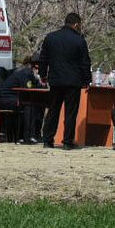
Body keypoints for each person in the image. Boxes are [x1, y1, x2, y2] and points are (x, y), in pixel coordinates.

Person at [38, 12, 92, 150]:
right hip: (73, 82)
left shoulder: (51, 37)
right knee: (70, 112)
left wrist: (43, 74)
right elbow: (85, 63)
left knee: (53, 110)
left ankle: (47, 140)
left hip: (55, 80)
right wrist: (87, 80)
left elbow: (43, 58)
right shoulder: (79, 40)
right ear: (76, 24)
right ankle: (67, 141)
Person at [0, 55, 45, 144]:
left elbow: (35, 86)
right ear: (35, 66)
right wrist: (37, 79)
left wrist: (39, 81)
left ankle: (34, 135)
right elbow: (27, 88)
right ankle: (27, 136)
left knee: (35, 105)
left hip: (15, 97)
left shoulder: (29, 73)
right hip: (6, 98)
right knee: (28, 105)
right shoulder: (26, 73)